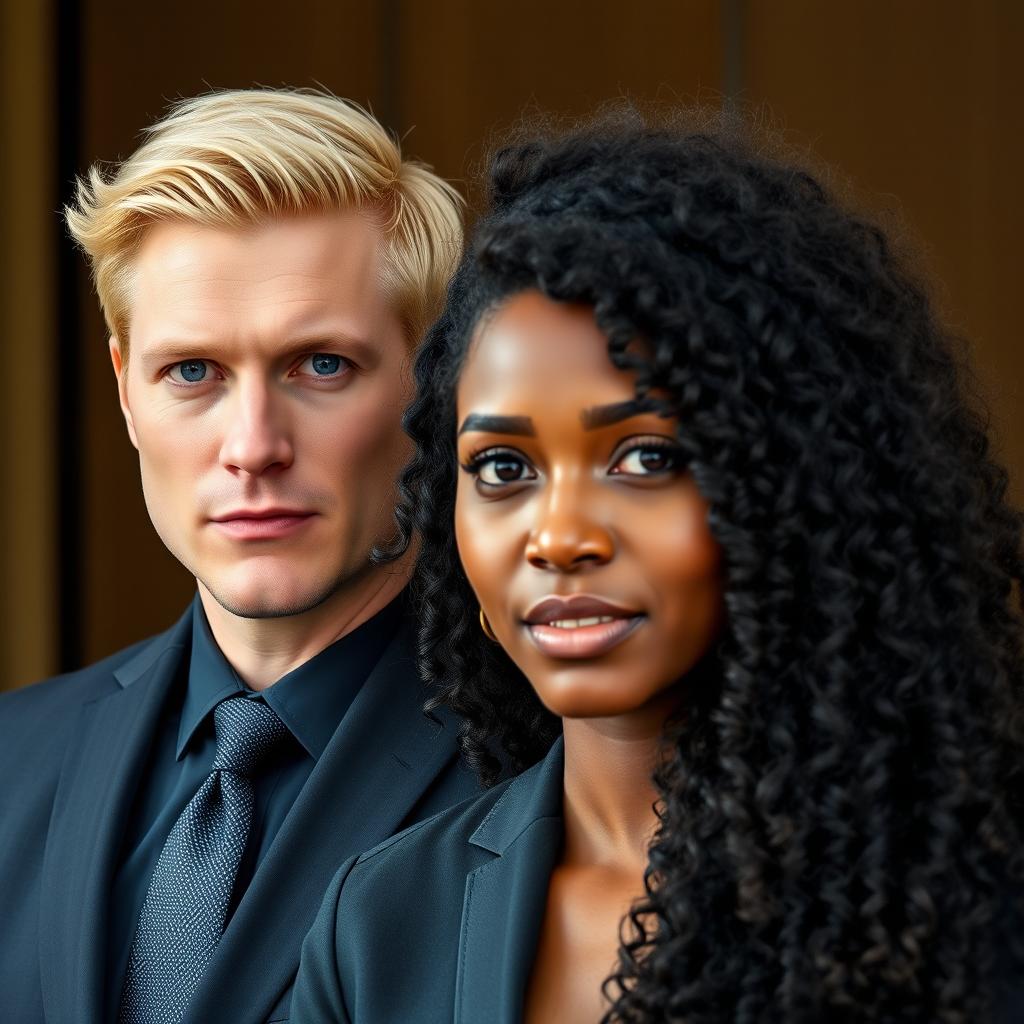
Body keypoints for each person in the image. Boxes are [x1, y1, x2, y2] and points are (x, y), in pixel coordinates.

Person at [291, 112, 1024, 1023]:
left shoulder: (966, 904)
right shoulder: (379, 922)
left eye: (645, 459)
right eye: (504, 469)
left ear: (789, 493)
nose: (559, 536)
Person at [0, 89, 483, 1024]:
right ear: (127, 393)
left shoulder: (563, 777)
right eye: (193, 372)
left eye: (321, 365)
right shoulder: (11, 760)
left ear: (436, 387)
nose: (253, 444)